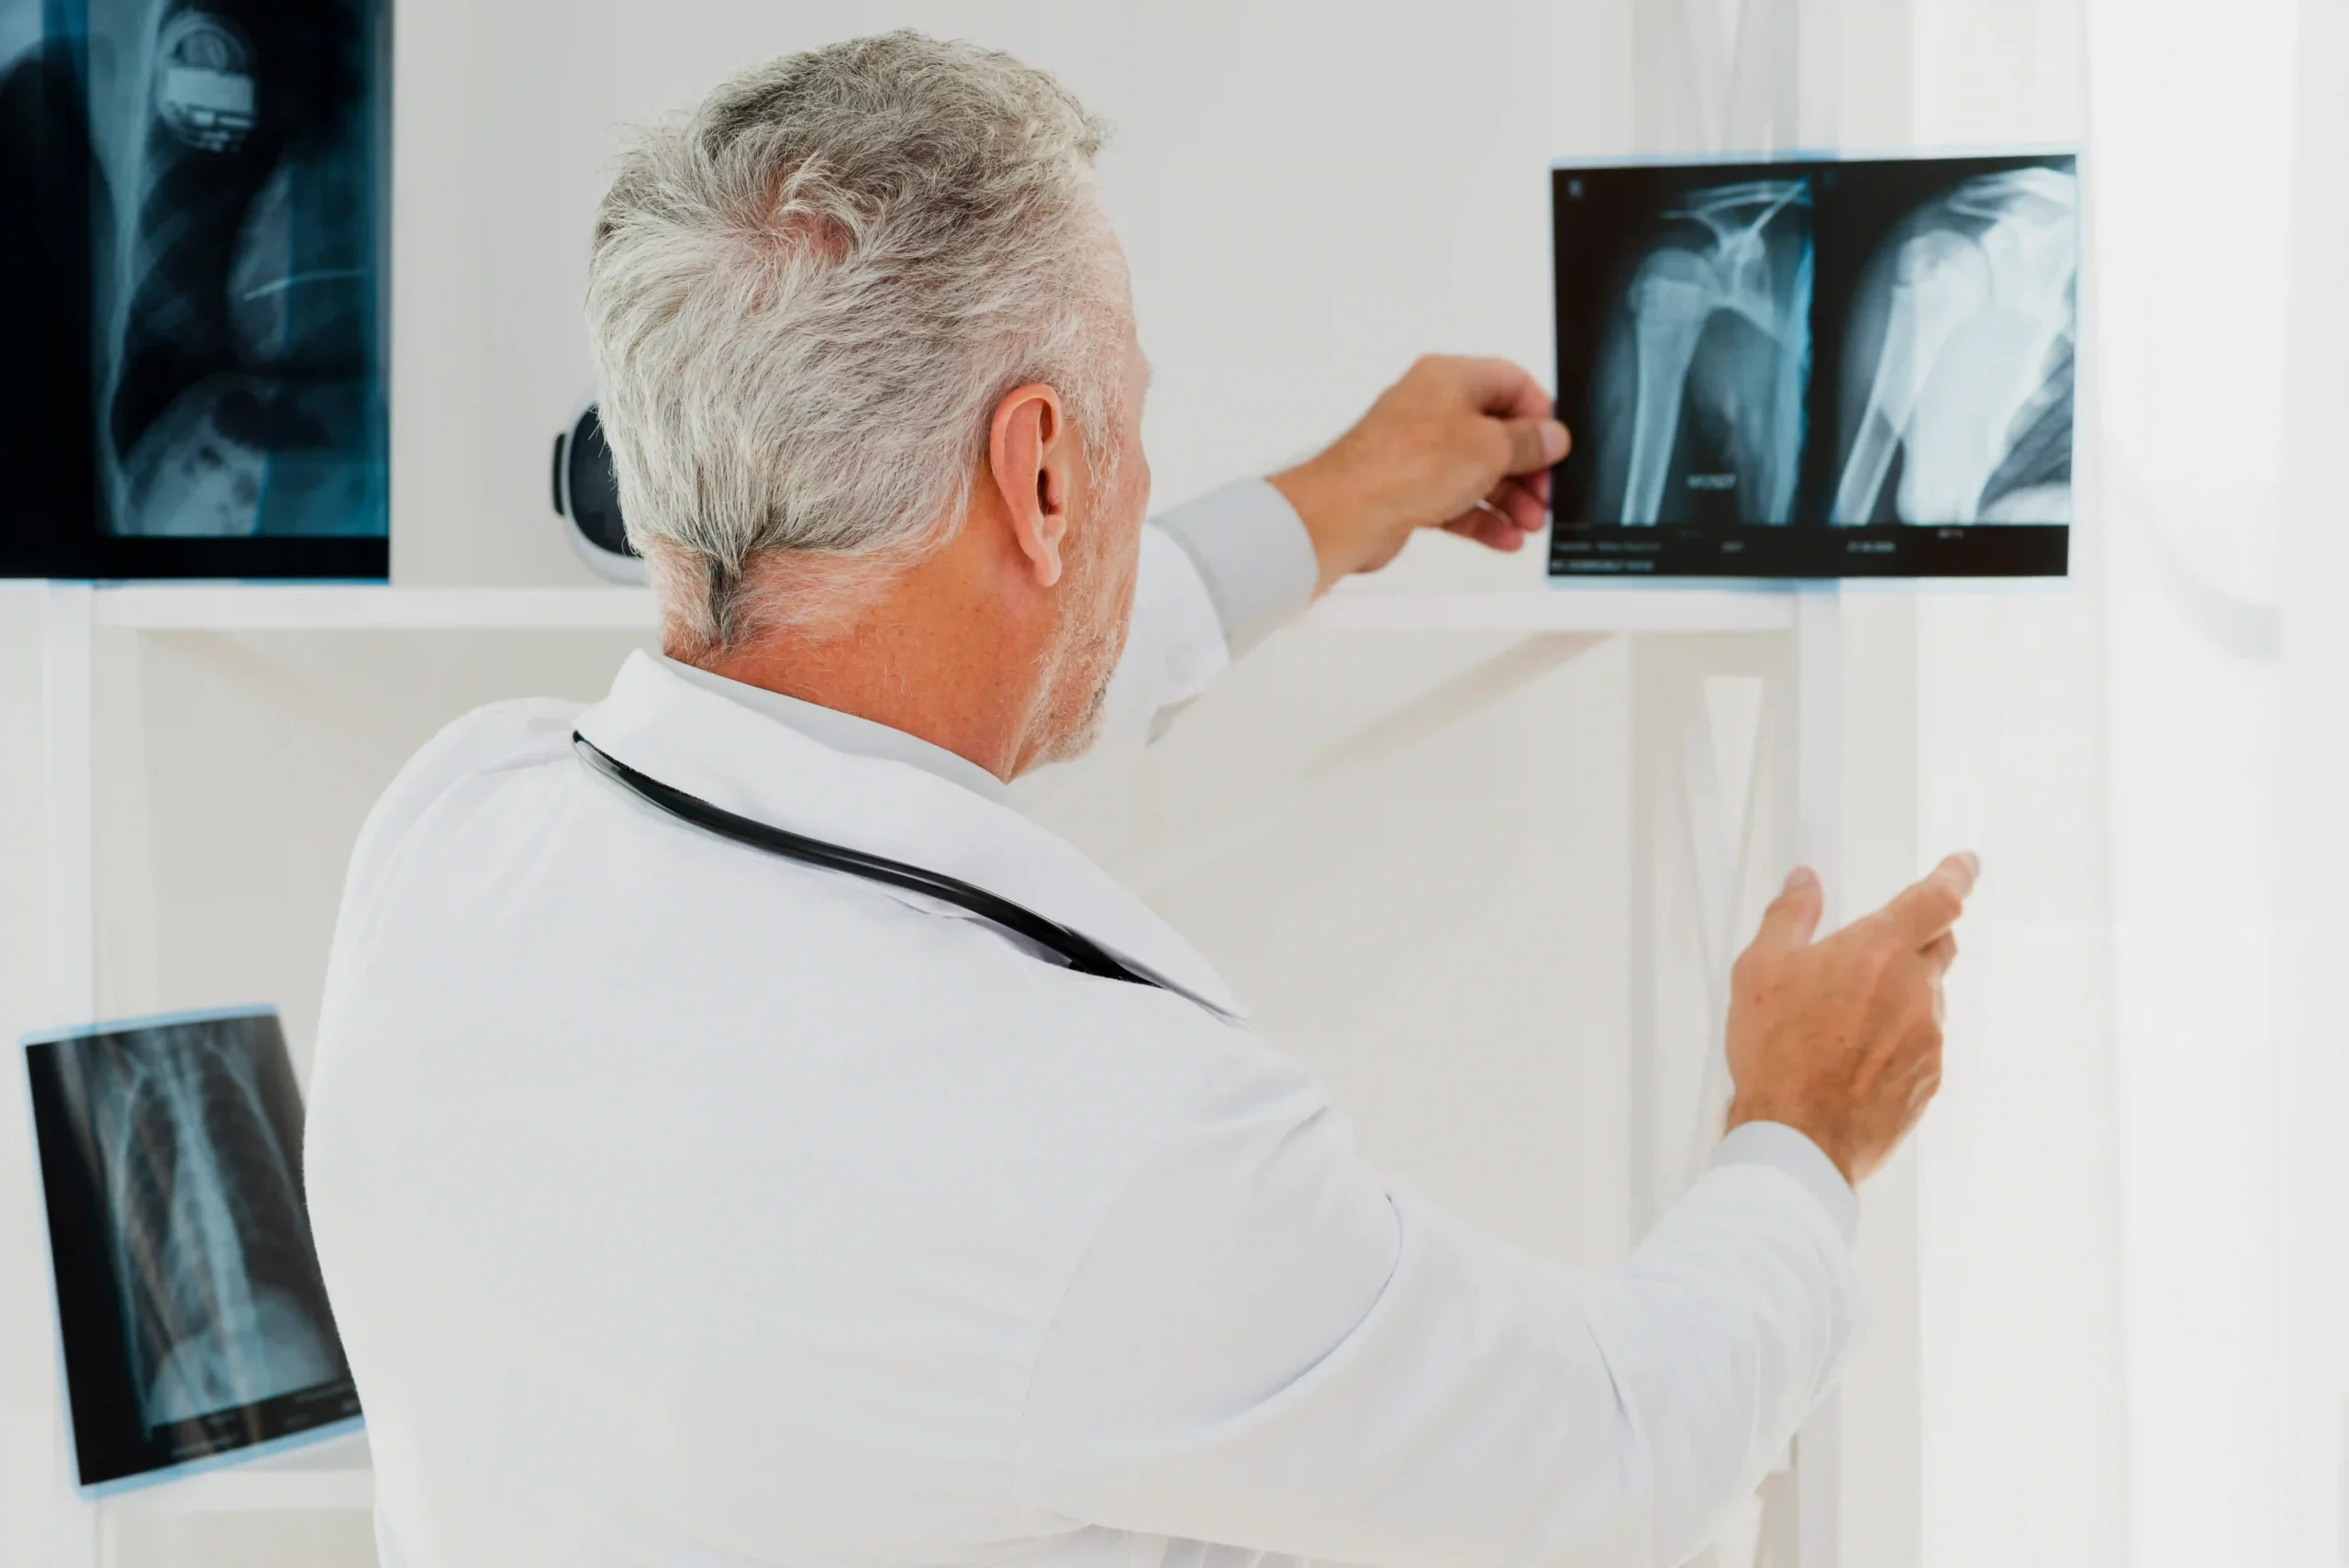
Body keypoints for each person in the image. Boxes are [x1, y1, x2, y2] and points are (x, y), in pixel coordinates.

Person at [304, 32, 1974, 1568]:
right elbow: (1612, 1455)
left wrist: (1336, 504)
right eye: (1129, 424)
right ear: (1041, 473)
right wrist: (1802, 1134)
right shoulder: (1109, 1146)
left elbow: (896, 673)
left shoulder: (455, 830)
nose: (1138, 471)